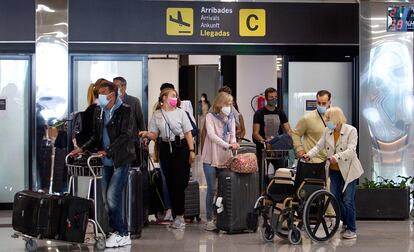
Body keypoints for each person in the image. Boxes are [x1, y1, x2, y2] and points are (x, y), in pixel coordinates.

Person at [70, 81, 135, 248]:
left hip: (120, 160)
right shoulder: (99, 111)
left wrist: (109, 150)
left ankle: (121, 232)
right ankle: (120, 232)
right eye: (98, 93)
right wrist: (81, 149)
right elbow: (95, 136)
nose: (100, 96)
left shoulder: (125, 111)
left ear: (112, 94)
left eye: (103, 93)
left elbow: (126, 135)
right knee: (107, 200)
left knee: (113, 198)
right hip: (105, 162)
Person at [303, 107, 363, 240]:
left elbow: (352, 150)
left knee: (348, 200)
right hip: (334, 171)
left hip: (348, 171)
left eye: (328, 118)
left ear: (335, 118)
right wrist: (309, 155)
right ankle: (345, 222)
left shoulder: (351, 130)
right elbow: (319, 146)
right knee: (335, 198)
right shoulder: (328, 130)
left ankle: (352, 229)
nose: (326, 120)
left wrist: (337, 156)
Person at [139, 87, 196, 229]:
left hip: (181, 147)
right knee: (169, 183)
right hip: (165, 148)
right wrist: (146, 134)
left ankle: (180, 216)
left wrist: (191, 150)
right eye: (172, 96)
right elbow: (155, 134)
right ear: (164, 97)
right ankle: (175, 214)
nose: (175, 99)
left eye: (176, 96)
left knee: (179, 183)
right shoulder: (157, 115)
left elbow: (188, 133)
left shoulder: (181, 113)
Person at [201, 92, 239, 231]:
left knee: (222, 190)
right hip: (210, 158)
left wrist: (233, 144)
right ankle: (209, 219)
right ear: (219, 104)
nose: (229, 107)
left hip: (225, 158)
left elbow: (233, 136)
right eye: (227, 104)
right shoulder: (210, 117)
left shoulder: (231, 118)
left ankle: (220, 217)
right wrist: (227, 145)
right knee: (212, 189)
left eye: (230, 104)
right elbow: (211, 136)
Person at [252, 87, 292, 186]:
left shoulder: (280, 112)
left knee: (281, 174)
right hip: (263, 149)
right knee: (262, 175)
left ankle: (278, 194)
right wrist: (265, 142)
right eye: (271, 97)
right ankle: (262, 194)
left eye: (275, 97)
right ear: (266, 98)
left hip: (278, 150)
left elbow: (288, 130)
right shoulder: (259, 113)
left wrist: (291, 140)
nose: (273, 99)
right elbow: (255, 133)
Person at [292, 90, 332, 162]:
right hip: (313, 160)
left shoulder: (334, 117)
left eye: (324, 103)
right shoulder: (307, 118)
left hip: (330, 161)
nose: (321, 105)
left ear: (329, 102)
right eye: (319, 103)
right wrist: (299, 149)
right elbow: (296, 134)